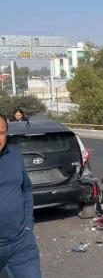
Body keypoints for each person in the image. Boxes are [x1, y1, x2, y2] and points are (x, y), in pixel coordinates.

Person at [0, 114, 42, 278]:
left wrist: (27, 225)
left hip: (20, 243)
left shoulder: (14, 155)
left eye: (1, 133)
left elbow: (26, 189)